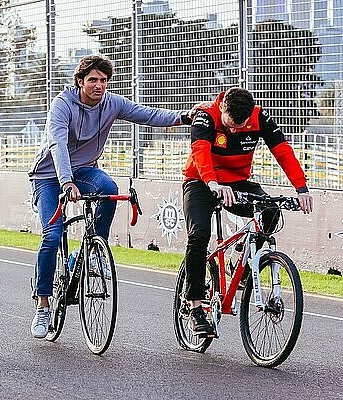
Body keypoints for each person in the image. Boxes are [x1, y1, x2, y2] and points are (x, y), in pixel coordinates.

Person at [27, 55, 194, 339]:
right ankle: (43, 305)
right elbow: (57, 144)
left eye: (103, 80)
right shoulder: (62, 105)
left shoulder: (112, 103)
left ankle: (92, 250)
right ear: (79, 82)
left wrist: (184, 117)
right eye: (92, 80)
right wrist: (66, 182)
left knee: (109, 188)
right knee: (52, 236)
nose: (99, 86)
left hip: (85, 171)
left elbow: (147, 115)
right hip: (50, 176)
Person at [181, 87, 313, 335]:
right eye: (230, 125)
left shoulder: (259, 117)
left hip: (237, 182)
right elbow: (200, 154)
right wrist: (212, 183)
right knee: (198, 236)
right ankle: (196, 307)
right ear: (222, 108)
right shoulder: (205, 115)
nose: (234, 130)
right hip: (201, 181)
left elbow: (283, 151)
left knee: (272, 210)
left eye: (240, 126)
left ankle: (240, 262)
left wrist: (301, 188)